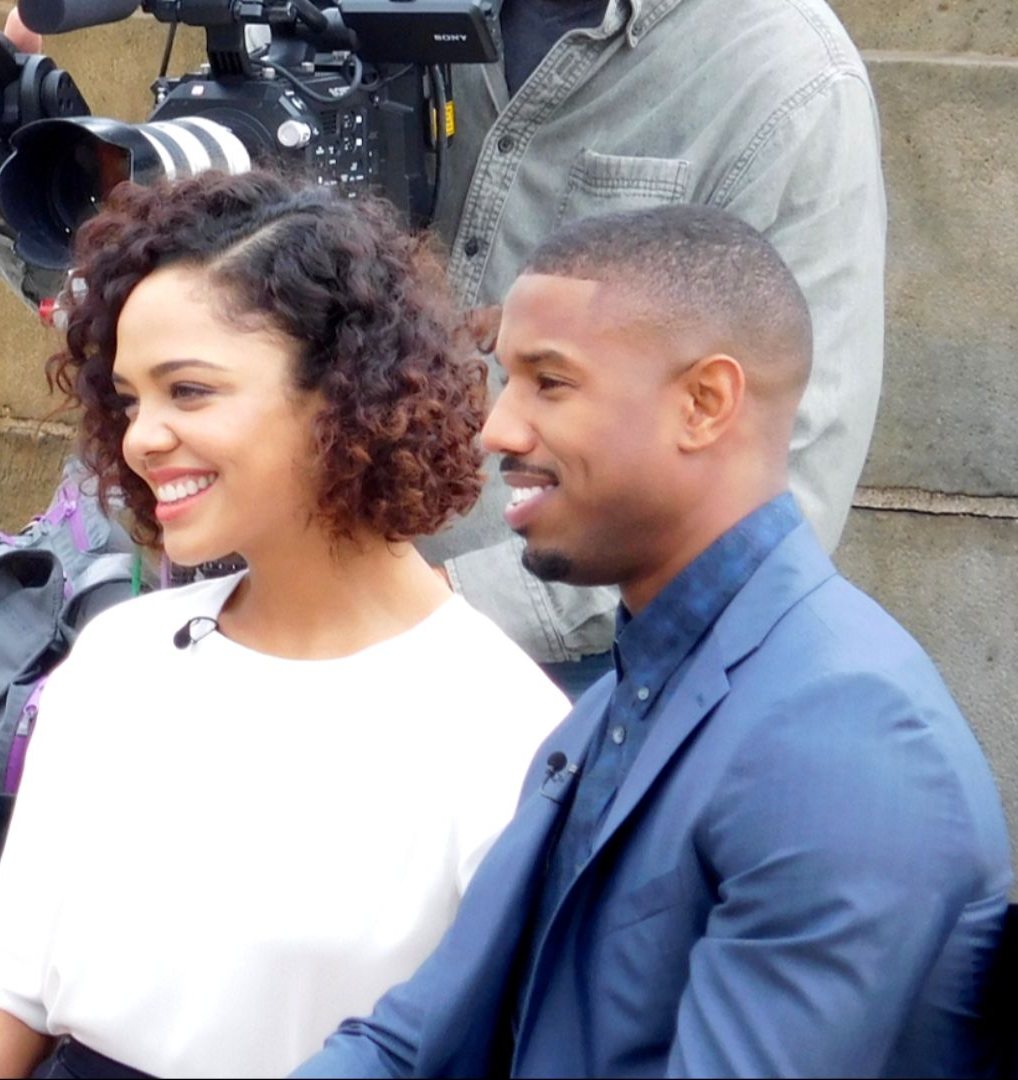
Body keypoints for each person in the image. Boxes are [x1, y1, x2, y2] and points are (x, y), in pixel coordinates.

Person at [0, 0, 887, 696]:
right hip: (263, 650)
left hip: (572, 693)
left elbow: (785, 494)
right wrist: (2, 199)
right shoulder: (333, 11)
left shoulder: (784, 78)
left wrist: (405, 615)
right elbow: (201, 312)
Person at [292, 205, 1011, 1078]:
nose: (499, 430)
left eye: (549, 382)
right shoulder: (619, 704)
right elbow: (416, 1041)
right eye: (506, 379)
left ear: (705, 404)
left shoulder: (844, 735)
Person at [0, 171, 568, 1079]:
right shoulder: (120, 661)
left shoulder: (502, 734)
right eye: (131, 399)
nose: (141, 438)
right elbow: (1, 997)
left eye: (190, 391)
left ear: (345, 393)